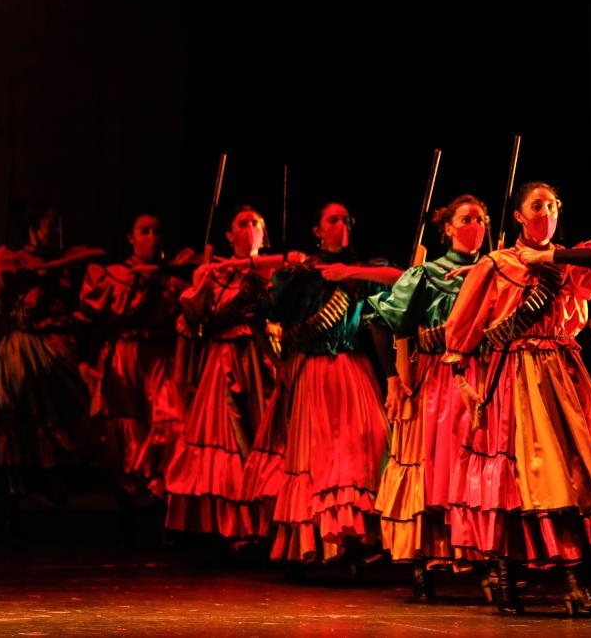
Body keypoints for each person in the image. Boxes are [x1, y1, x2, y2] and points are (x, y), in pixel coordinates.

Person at [443, 181, 591, 615]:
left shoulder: (570, 261)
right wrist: (465, 384)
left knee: (576, 473)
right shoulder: (496, 264)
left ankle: (576, 579)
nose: (547, 213)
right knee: (514, 478)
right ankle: (506, 577)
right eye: (537, 206)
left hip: (563, 372)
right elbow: (462, 328)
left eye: (554, 205)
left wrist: (549, 257)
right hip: (513, 376)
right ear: (518, 216)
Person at [367, 194, 489, 600]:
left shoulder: (495, 269)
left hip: (486, 376)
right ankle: (422, 562)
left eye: (482, 219)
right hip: (439, 380)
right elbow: (381, 320)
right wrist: (391, 378)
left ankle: (486, 559)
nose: (476, 225)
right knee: (429, 467)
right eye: (467, 219)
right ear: (448, 229)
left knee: (482, 469)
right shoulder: (427, 274)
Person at [266, 202, 400, 566]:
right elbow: (278, 313)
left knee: (367, 445)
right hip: (316, 370)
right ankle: (327, 541)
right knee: (322, 456)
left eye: (347, 219)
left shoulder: (362, 271)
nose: (342, 225)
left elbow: (398, 277)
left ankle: (363, 535)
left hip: (354, 369)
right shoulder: (303, 274)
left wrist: (348, 273)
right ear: (317, 230)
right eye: (333, 219)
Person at [0, 205, 102, 508]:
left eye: (58, 225)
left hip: (56, 349)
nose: (56, 232)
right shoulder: (12, 261)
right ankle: (12, 498)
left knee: (61, 418)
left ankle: (56, 490)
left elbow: (95, 253)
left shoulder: (61, 259)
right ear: (34, 228)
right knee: (15, 423)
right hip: (21, 351)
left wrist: (48, 269)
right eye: (51, 226)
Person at [164, 205, 277, 539]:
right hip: (222, 362)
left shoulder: (273, 271)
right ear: (229, 234)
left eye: (256, 223)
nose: (250, 228)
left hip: (260, 362)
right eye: (242, 223)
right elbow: (197, 320)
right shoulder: (213, 273)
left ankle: (263, 526)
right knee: (225, 437)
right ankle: (231, 528)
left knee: (261, 436)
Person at [79, 213, 193, 498]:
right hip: (125, 356)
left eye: (156, 231)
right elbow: (93, 317)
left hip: (161, 357)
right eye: (144, 231)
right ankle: (127, 496)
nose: (151, 237)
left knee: (168, 418)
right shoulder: (115, 275)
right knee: (124, 422)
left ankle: (160, 493)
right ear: (131, 237)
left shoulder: (175, 276)